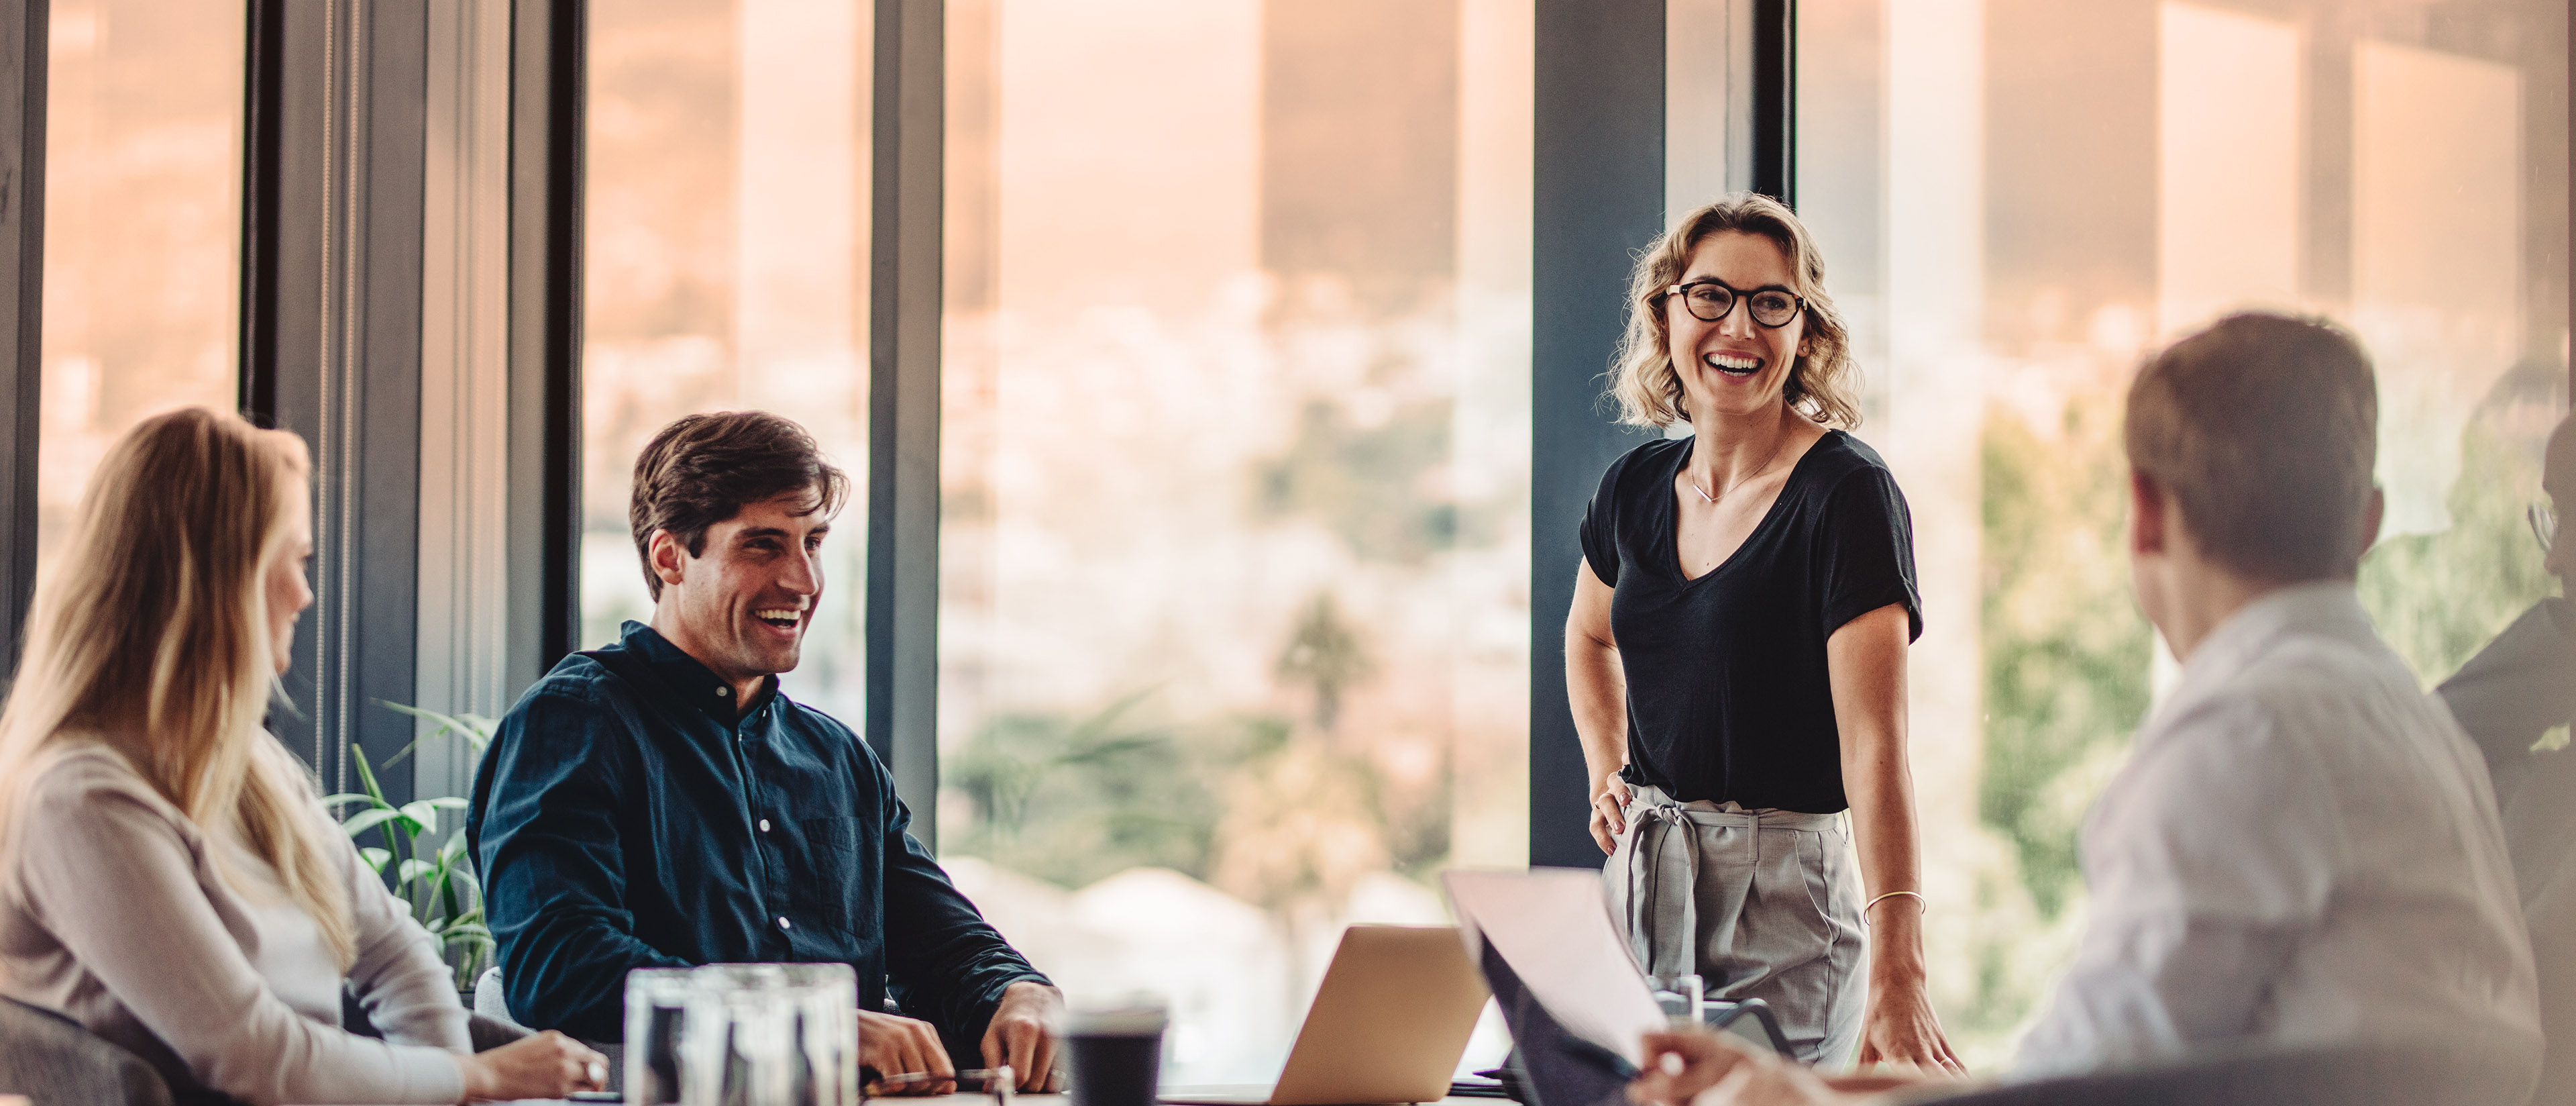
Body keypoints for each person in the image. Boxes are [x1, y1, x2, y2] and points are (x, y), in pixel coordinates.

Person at [1623, 314, 2544, 1105]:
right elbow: (2092, 1078)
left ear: (2144, 514)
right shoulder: (2417, 728)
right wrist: (1807, 1087)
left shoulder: (2244, 740)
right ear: (2368, 523)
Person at [0, 407, 604, 1105]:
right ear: (216, 579)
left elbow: (393, 952)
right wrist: (475, 1076)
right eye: (294, 559)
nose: (305, 592)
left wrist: (449, 1088)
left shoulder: (245, 760)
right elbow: (255, 1056)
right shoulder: (80, 801)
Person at [468, 411, 1061, 1093]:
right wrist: (811, 1023)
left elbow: (943, 943)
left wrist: (1019, 990)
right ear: (670, 557)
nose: (803, 580)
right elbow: (560, 965)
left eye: (813, 543)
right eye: (763, 546)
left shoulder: (837, 758)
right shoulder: (573, 723)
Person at [1566, 192, 1955, 1070]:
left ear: (1805, 330)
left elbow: (1876, 747)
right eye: (1710, 296)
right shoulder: (1631, 488)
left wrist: (1902, 967)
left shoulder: (1847, 495)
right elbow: (1589, 639)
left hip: (1785, 900)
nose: (1737, 326)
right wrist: (1605, 768)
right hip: (1643, 880)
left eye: (1770, 302)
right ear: (1666, 313)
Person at [2438, 411, 2574, 1104]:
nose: (2552, 559)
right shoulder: (2541, 793)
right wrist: (2562, 638)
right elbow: (2428, 754)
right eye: (2553, 516)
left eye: (2569, 518)